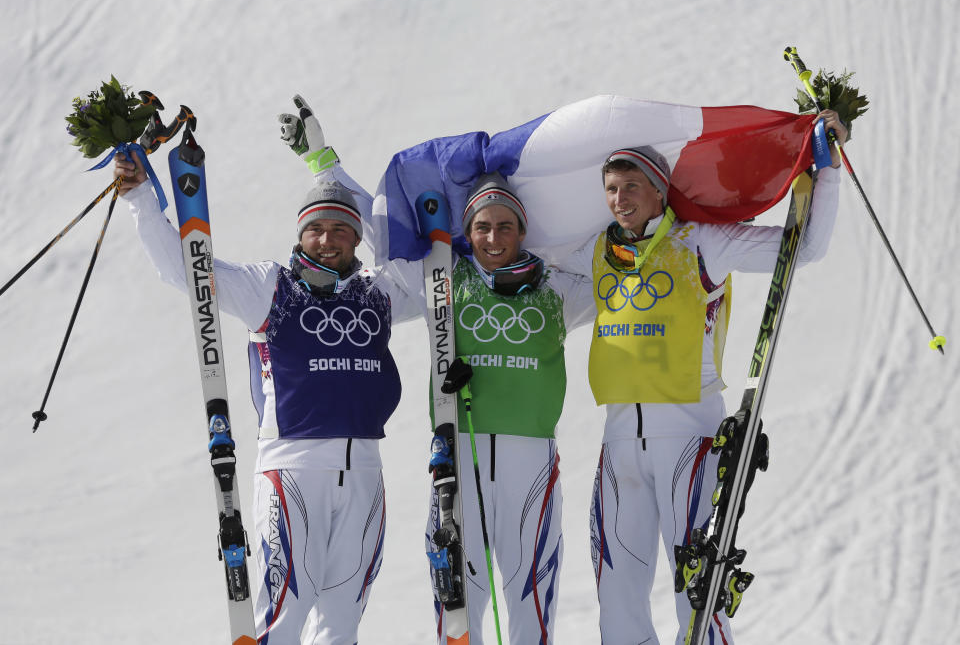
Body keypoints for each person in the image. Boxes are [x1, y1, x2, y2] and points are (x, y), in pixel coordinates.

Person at [113, 111, 422, 644]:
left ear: (355, 240)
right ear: (299, 234)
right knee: (281, 620)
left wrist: (327, 169)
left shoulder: (381, 292)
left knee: (341, 626)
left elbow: (403, 242)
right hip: (292, 473)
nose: (327, 240)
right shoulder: (270, 289)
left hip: (366, 473)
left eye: (340, 231)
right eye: (315, 229)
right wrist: (142, 198)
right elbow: (182, 268)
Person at [558, 110, 849, 644]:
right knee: (617, 589)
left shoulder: (701, 243)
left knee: (697, 586)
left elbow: (801, 248)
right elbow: (526, 255)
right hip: (620, 438)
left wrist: (824, 171)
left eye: (632, 188)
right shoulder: (596, 252)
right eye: (611, 189)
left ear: (659, 190)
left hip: (689, 433)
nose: (620, 200)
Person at [422, 172, 593, 644]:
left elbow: (616, 271)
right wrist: (323, 165)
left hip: (530, 460)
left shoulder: (558, 287)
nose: (493, 238)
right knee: (458, 599)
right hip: (460, 456)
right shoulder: (444, 278)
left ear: (522, 231)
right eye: (482, 227)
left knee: (533, 593)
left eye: (505, 226)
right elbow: (371, 239)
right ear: (468, 231)